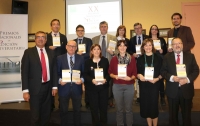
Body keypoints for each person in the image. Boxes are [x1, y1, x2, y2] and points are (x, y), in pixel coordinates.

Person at [21, 31, 58, 126]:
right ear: (35, 39)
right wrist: (25, 90)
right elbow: (24, 72)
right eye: (38, 37)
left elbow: (54, 70)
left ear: (46, 40)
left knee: (46, 115)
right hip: (35, 89)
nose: (40, 39)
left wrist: (54, 86)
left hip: (48, 88)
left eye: (43, 37)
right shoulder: (28, 52)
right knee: (35, 116)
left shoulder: (51, 52)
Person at [161, 38, 199, 126]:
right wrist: (172, 77)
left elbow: (196, 70)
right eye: (175, 44)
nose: (177, 45)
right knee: (173, 117)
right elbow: (163, 71)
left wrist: (187, 80)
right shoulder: (167, 57)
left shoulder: (190, 56)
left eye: (179, 43)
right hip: (172, 91)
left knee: (187, 116)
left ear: (182, 45)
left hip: (186, 90)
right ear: (172, 46)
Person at [109, 40, 137, 126]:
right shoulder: (114, 59)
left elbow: (135, 73)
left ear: (126, 47)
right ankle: (120, 124)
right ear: (118, 47)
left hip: (129, 86)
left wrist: (130, 78)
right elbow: (110, 72)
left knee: (129, 109)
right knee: (119, 109)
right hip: (117, 86)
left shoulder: (132, 58)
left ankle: (129, 124)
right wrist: (115, 76)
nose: (122, 47)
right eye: (120, 46)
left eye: (124, 46)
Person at [57, 40, 84, 126]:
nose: (71, 48)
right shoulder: (59, 58)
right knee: (63, 111)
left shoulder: (81, 58)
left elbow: (83, 73)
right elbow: (56, 73)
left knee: (77, 111)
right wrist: (59, 80)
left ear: (76, 48)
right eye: (70, 46)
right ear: (66, 47)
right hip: (64, 88)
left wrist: (82, 80)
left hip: (77, 88)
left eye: (74, 46)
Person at [137, 38, 162, 126]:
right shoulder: (139, 59)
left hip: (154, 84)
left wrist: (157, 79)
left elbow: (162, 73)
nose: (148, 47)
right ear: (143, 47)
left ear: (152, 46)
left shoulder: (158, 58)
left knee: (154, 105)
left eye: (150, 45)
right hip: (144, 86)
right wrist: (139, 75)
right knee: (146, 105)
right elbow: (137, 72)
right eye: (146, 45)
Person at [83, 44, 110, 126]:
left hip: (103, 88)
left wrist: (106, 79)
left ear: (100, 51)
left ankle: (103, 123)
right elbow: (85, 74)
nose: (96, 51)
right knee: (93, 108)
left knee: (103, 108)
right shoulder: (87, 62)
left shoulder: (105, 61)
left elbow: (109, 73)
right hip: (92, 89)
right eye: (94, 49)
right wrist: (92, 80)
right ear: (91, 51)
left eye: (98, 49)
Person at [92, 21, 117, 108]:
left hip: (109, 62)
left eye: (105, 26)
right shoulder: (94, 39)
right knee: (98, 81)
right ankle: (99, 100)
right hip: (98, 63)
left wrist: (113, 52)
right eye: (102, 26)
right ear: (99, 28)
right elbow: (92, 51)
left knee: (109, 82)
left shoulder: (113, 38)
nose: (103, 28)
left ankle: (109, 100)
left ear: (107, 28)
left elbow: (117, 51)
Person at [45, 19, 68, 110]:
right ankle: (51, 104)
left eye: (57, 24)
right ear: (51, 26)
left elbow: (66, 49)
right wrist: (48, 47)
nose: (56, 26)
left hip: (61, 63)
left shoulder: (63, 37)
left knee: (61, 82)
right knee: (51, 83)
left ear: (59, 26)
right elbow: (42, 48)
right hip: (50, 63)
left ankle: (61, 103)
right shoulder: (46, 36)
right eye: (54, 24)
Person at [128, 22, 149, 104]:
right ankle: (139, 96)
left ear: (142, 28)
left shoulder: (147, 37)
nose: (138, 29)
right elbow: (129, 50)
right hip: (136, 60)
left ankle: (146, 94)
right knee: (138, 77)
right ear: (134, 30)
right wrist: (133, 54)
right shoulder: (132, 39)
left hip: (146, 60)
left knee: (146, 76)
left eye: (139, 28)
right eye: (136, 28)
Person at [74, 24, 92, 109]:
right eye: (78, 31)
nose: (80, 32)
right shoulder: (73, 41)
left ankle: (88, 102)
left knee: (87, 83)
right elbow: (70, 52)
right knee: (77, 83)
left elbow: (90, 53)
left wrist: (82, 55)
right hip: (76, 65)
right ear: (76, 32)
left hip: (86, 64)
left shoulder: (88, 40)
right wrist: (76, 54)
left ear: (84, 32)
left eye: (82, 30)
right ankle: (78, 102)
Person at [149, 24, 167, 106]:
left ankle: (162, 97)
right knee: (151, 79)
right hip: (151, 62)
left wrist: (162, 51)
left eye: (156, 29)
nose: (154, 30)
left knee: (160, 80)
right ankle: (153, 98)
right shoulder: (148, 40)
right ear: (151, 30)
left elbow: (166, 51)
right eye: (152, 29)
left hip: (160, 61)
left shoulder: (162, 40)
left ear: (157, 31)